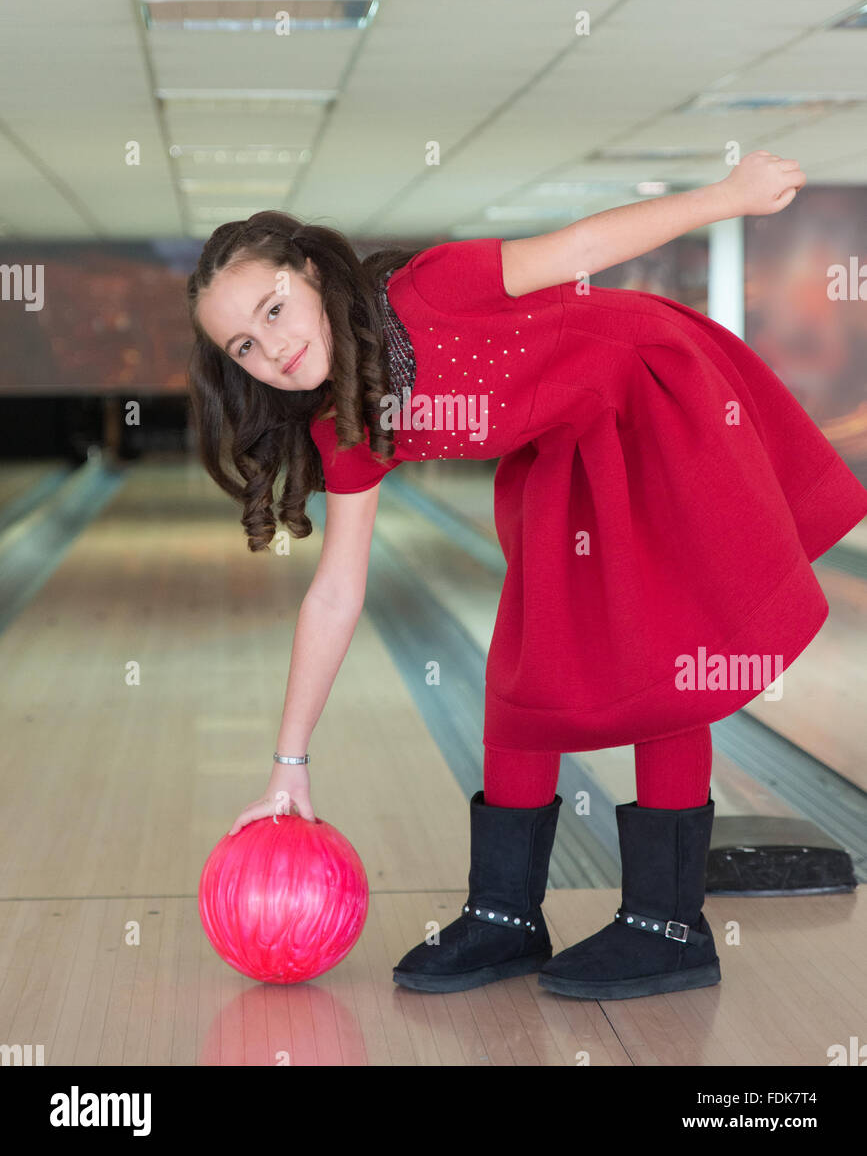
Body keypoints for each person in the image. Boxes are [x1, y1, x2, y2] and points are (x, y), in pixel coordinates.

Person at [185, 151, 867, 1001]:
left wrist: (727, 197)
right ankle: (505, 913)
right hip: (567, 448)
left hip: (656, 397)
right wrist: (289, 762)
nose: (273, 347)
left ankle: (668, 923)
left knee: (664, 651)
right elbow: (336, 591)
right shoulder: (346, 428)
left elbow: (580, 246)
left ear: (313, 275)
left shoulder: (429, 291)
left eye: (275, 308)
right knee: (526, 663)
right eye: (244, 344)